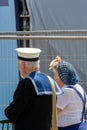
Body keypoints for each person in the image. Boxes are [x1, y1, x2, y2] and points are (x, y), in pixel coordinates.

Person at [4, 48, 62, 130]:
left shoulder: (27, 83)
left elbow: (12, 113)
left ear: (23, 65)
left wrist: (7, 111)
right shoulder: (50, 81)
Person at [49, 56, 87, 130]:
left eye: (55, 74)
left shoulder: (66, 91)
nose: (54, 77)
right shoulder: (78, 87)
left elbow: (52, 113)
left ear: (61, 76)